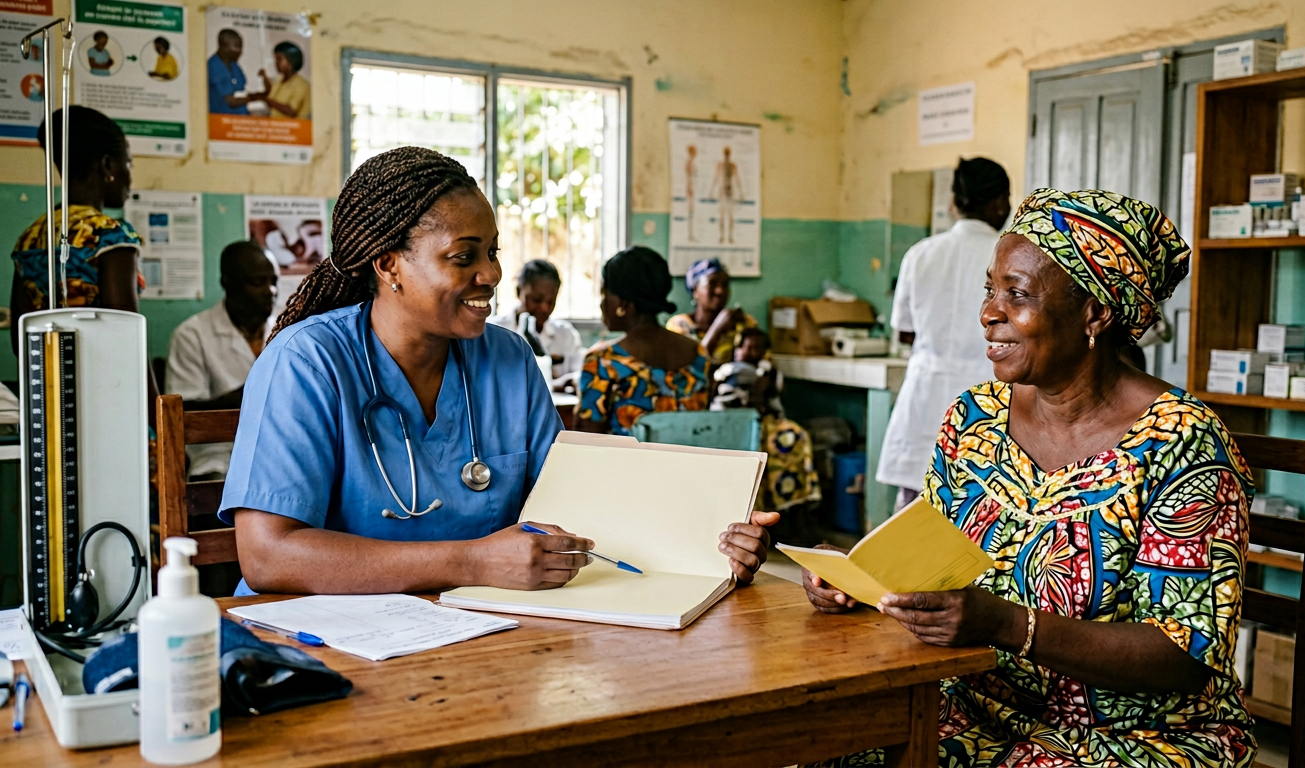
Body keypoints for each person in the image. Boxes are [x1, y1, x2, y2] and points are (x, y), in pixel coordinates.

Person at [805, 189, 1254, 767]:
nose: (990, 312)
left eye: (1016, 294)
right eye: (989, 290)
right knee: (823, 750)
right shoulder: (975, 420)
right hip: (970, 705)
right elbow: (926, 565)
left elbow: (1186, 656)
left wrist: (1004, 623)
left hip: (1130, 736)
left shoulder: (1183, 443)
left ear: (1095, 313)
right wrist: (859, 584)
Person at [218, 148, 773, 595]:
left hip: (481, 629)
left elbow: (575, 510)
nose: (492, 273)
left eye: (493, 251)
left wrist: (711, 545)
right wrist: (473, 562)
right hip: (324, 642)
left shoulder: (507, 360)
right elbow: (268, 556)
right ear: (388, 263)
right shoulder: (307, 362)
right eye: (464, 257)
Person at [876, 157, 1009, 511]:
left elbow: (905, 333)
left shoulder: (920, 254)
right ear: (999, 202)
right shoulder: (1008, 255)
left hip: (925, 394)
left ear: (954, 202)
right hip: (988, 399)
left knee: (911, 522)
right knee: (979, 514)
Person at [10, 107, 140, 353]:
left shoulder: (31, 237)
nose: (130, 176)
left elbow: (21, 341)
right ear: (107, 165)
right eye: (129, 163)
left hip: (47, 380)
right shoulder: (109, 235)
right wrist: (152, 392)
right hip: (108, 383)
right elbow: (127, 338)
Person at [165, 241, 278, 480]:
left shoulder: (287, 330)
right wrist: (247, 396)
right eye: (258, 282)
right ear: (228, 284)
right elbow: (182, 412)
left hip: (281, 454)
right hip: (219, 457)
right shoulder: (192, 335)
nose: (270, 291)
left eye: (273, 281)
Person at [575, 246, 709, 435]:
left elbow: (585, 440)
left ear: (623, 303)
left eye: (604, 294)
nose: (602, 303)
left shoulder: (603, 362)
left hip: (623, 465)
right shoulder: (699, 354)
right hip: (688, 465)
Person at [712, 328, 821, 511]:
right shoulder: (730, 371)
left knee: (796, 436)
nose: (751, 352)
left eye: (757, 349)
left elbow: (773, 400)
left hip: (762, 421)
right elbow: (729, 400)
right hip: (730, 421)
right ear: (737, 349)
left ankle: (790, 501)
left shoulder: (768, 373)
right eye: (747, 347)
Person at [489, 259, 582, 390]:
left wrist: (568, 380)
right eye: (536, 300)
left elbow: (580, 376)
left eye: (551, 301)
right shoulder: (493, 331)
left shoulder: (566, 335)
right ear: (519, 292)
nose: (544, 308)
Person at [666, 257, 757, 365]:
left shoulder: (744, 323)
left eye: (725, 284)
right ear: (695, 291)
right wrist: (717, 329)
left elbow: (762, 363)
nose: (720, 291)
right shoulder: (679, 326)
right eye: (711, 284)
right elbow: (690, 368)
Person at [254, 41, 310, 120]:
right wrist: (265, 79)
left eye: (279, 59)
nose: (276, 63)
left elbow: (291, 112)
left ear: (291, 61)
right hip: (279, 127)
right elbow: (271, 97)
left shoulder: (301, 85)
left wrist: (265, 99)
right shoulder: (280, 80)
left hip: (296, 129)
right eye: (275, 59)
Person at [208, 29, 250, 115]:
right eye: (237, 46)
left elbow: (241, 91)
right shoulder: (213, 66)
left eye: (241, 47)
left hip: (239, 120)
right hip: (221, 121)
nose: (240, 51)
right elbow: (231, 102)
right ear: (223, 46)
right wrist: (258, 98)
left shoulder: (235, 66)